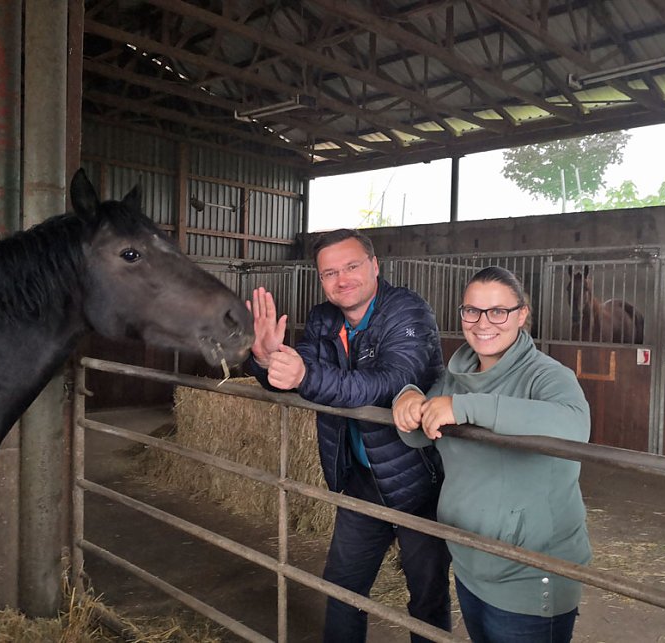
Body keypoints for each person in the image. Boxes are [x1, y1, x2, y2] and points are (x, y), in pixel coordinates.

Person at [246, 228, 451, 643]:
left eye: (352, 266)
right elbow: (297, 376)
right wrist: (267, 359)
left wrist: (304, 374)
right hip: (360, 478)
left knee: (426, 596)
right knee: (341, 587)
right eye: (330, 273)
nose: (342, 279)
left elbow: (389, 383)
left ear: (375, 266)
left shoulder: (407, 311)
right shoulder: (324, 318)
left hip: (419, 481)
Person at [392, 266, 592, 643]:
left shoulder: (547, 376)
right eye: (472, 311)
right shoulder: (456, 376)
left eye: (498, 311)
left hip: (529, 571)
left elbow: (574, 427)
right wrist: (407, 399)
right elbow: (420, 438)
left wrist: (466, 408)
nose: (483, 323)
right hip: (470, 560)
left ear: (521, 314)